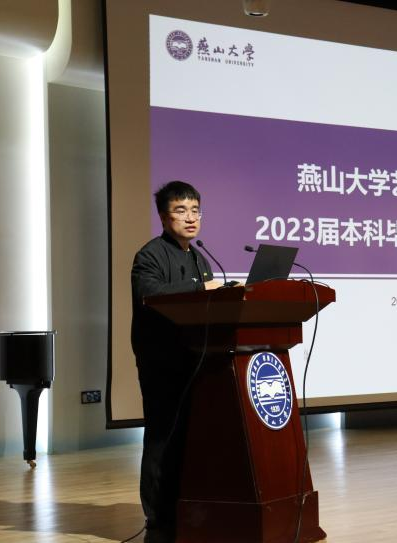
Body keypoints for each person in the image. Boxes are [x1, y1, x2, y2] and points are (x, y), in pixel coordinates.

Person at [130, 180, 222, 542]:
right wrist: (201, 290)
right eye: (181, 210)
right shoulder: (150, 255)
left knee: (191, 436)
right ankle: (157, 515)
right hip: (161, 361)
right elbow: (150, 294)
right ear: (163, 216)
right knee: (162, 436)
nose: (190, 218)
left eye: (195, 210)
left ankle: (187, 504)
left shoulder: (199, 257)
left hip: (196, 359)